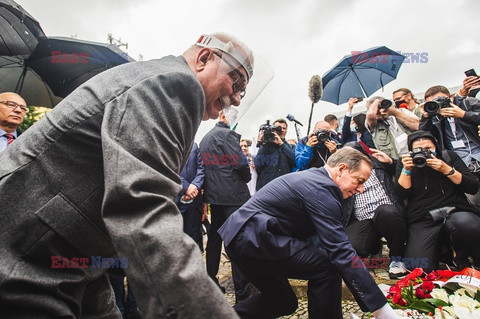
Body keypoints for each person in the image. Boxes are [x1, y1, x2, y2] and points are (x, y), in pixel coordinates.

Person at [0, 33, 257, 318]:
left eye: (243, 91)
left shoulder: (160, 81)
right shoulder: (175, 84)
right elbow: (142, 208)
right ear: (205, 58)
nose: (235, 97)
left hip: (67, 262)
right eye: (237, 82)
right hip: (23, 262)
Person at [219, 147, 399, 319]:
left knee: (282, 301)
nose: (361, 189)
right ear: (342, 169)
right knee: (328, 267)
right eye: (359, 181)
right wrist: (381, 309)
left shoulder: (317, 180)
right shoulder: (322, 187)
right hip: (254, 238)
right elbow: (341, 251)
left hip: (244, 239)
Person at [395, 130, 480, 272]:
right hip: (423, 217)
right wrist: (407, 170)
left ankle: (463, 256)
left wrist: (446, 169)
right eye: (418, 150)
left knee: (467, 224)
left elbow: (472, 186)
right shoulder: (404, 163)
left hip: (455, 211)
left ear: (436, 147)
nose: (424, 153)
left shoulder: (449, 157)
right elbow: (401, 194)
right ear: (411, 151)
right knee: (419, 267)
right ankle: (443, 252)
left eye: (428, 149)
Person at [200, 107, 252, 302]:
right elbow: (240, 163)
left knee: (215, 239)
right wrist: (246, 177)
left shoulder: (205, 138)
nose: (233, 121)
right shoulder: (228, 135)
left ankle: (211, 282)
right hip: (232, 196)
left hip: (215, 197)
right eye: (233, 118)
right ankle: (242, 294)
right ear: (224, 117)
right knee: (236, 241)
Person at [342, 142, 407, 279]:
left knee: (386, 213)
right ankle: (373, 246)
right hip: (363, 218)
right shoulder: (343, 174)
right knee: (353, 247)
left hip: (386, 212)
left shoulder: (377, 164)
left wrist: (390, 162)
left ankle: (397, 259)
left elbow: (401, 172)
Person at [419, 85, 480, 210]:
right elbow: (422, 135)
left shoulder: (467, 103)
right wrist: (426, 116)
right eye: (434, 102)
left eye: (441, 100)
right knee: (474, 201)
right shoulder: (435, 116)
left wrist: (463, 114)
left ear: (451, 97)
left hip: (477, 152)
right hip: (462, 164)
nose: (439, 104)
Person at [176, 142, 205, 249]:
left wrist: (194, 187)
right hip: (175, 201)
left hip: (194, 202)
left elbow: (201, 169)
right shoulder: (168, 143)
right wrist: (185, 187)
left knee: (193, 239)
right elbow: (170, 168)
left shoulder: (194, 145)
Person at [254, 118, 295, 190]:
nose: (281, 130)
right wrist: (264, 144)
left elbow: (294, 161)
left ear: (286, 131)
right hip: (266, 187)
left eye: (284, 128)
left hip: (283, 187)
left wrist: (281, 144)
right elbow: (258, 164)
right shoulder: (266, 146)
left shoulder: (291, 147)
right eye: (278, 128)